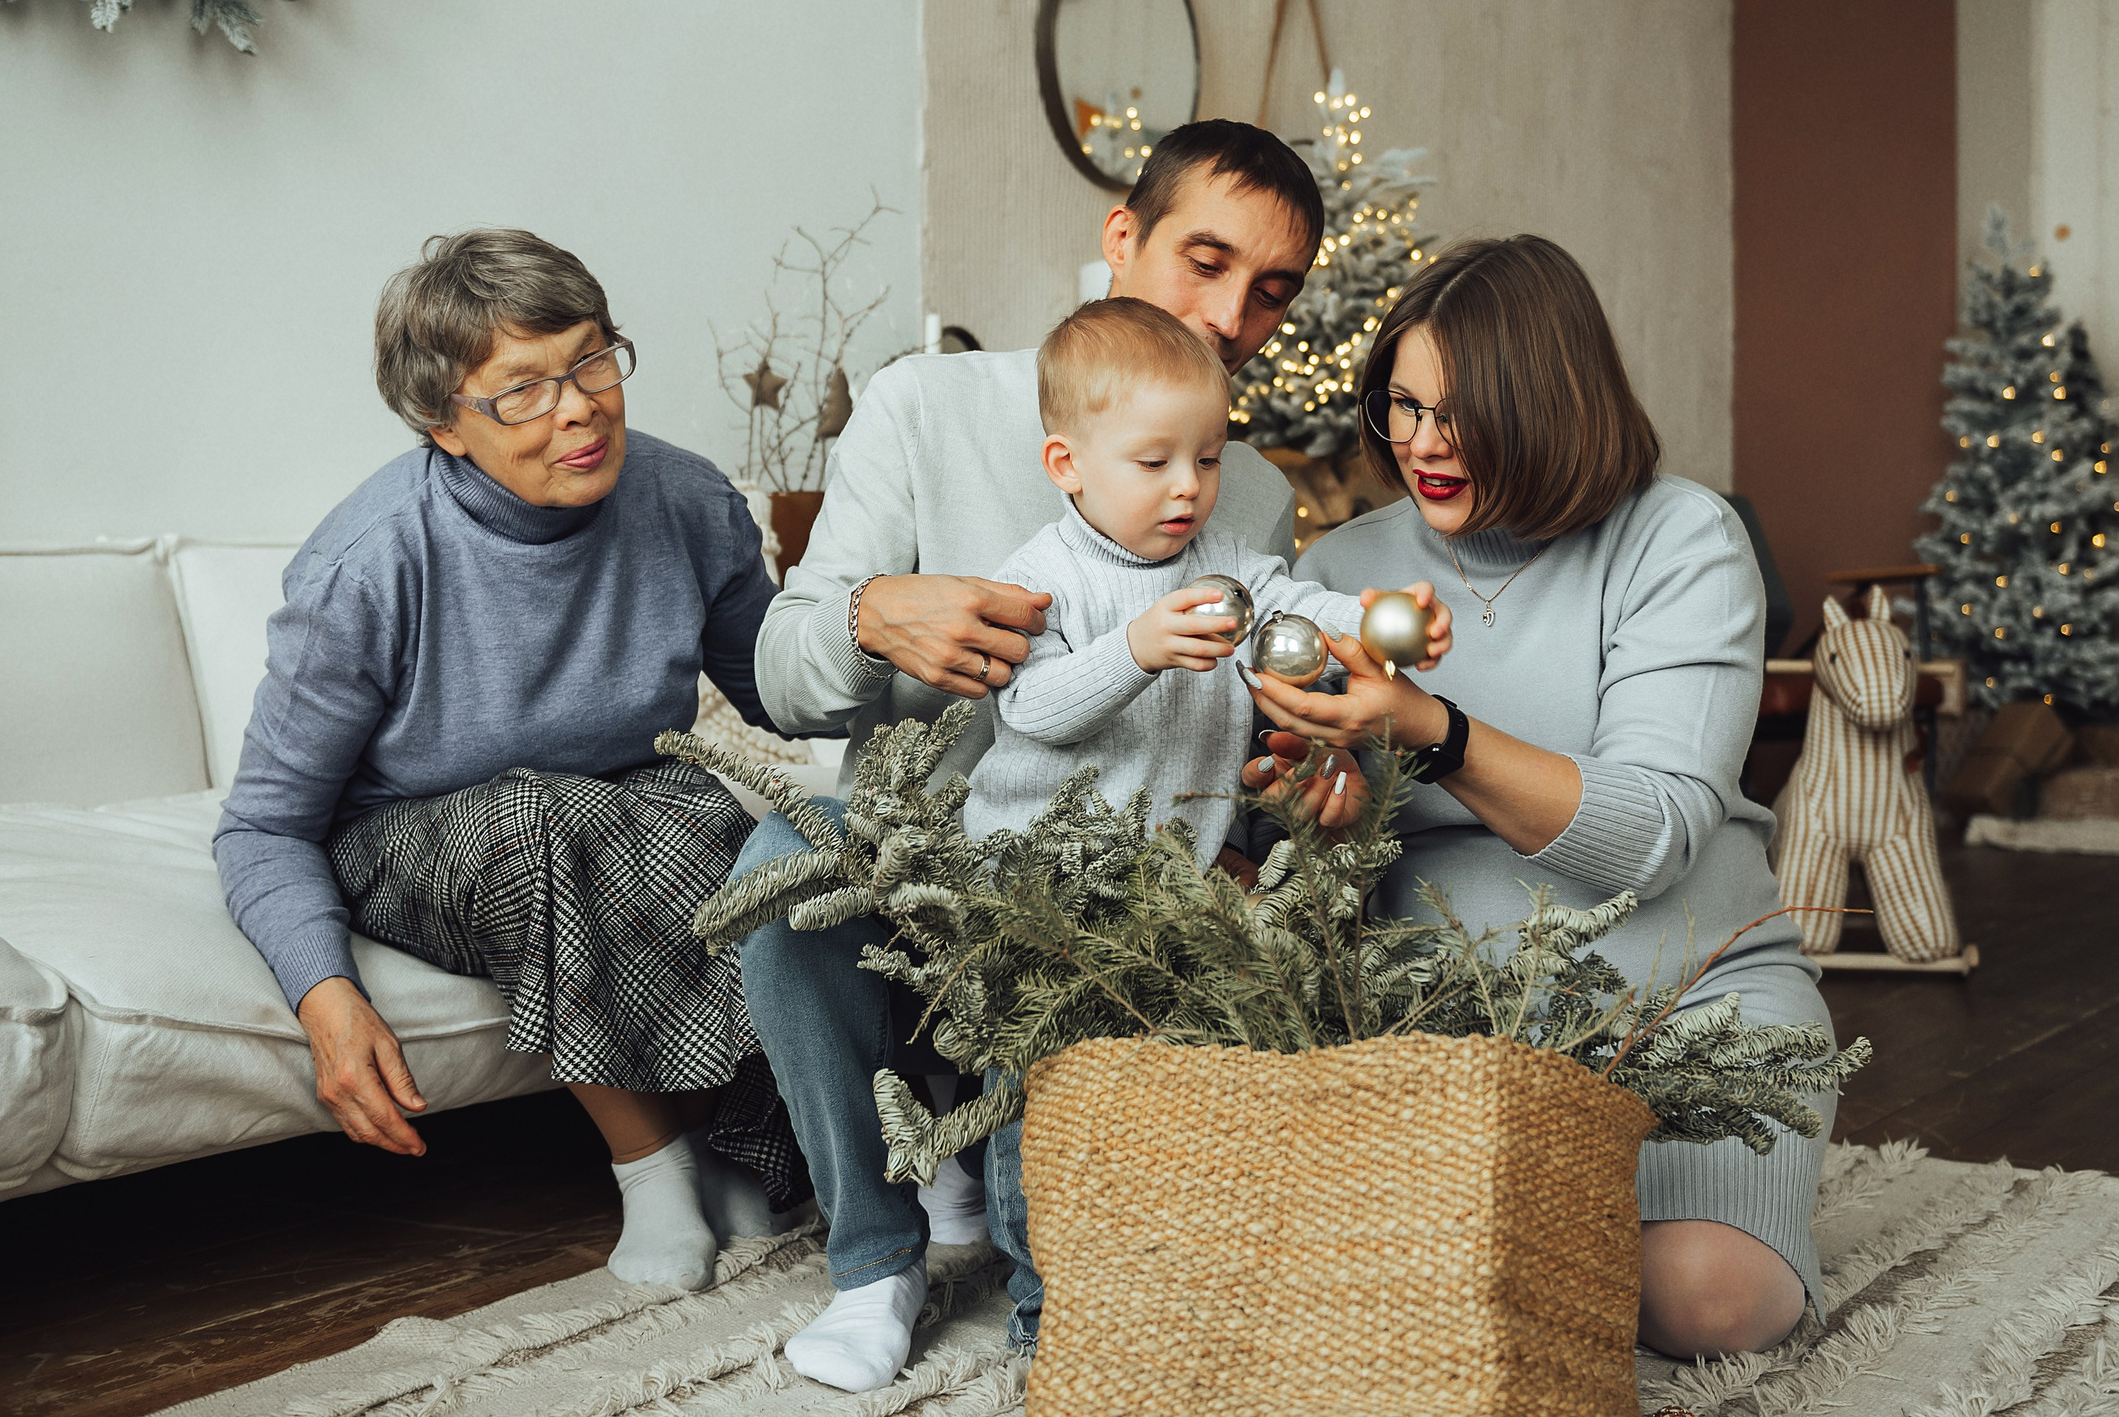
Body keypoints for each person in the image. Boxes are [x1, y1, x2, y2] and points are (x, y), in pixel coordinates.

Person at [742, 121, 1353, 1392]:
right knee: (782, 867)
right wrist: (872, 613)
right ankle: (874, 1259)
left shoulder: (1243, 489)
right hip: (928, 836)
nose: (1232, 313)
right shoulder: (928, 405)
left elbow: (1257, 684)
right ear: (1120, 237)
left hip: (1135, 867)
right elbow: (781, 670)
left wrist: (1279, 786)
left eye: (1272, 290)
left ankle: (1074, 1268)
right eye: (1204, 259)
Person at [1251, 234, 1838, 1359]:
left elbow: (1653, 835)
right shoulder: (1339, 570)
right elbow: (1319, 855)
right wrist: (1308, 803)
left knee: (1709, 1304)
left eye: (1460, 412)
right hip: (1445, 1021)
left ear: (1552, 400)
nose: (1422, 444)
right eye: (1401, 407)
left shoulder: (1680, 537)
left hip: (1684, 1002)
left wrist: (1433, 728)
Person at [214, 229, 801, 1296]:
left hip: (624, 793)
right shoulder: (370, 561)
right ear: (444, 424)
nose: (578, 406)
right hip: (412, 828)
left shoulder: (686, 499)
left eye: (589, 361)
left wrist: (877, 623)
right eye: (521, 391)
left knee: (744, 835)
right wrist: (324, 993)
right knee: (544, 820)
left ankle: (735, 1141)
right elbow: (262, 824)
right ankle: (653, 1167)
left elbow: (778, 690)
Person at [967, 296, 1450, 856]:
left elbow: (1302, 612)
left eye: (1207, 459)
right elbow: (1030, 708)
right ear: (1066, 465)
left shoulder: (1229, 567)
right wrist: (1134, 651)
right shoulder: (1038, 578)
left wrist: (1384, 624)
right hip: (1034, 872)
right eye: (1154, 463)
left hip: (1180, 883)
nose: (1189, 487)